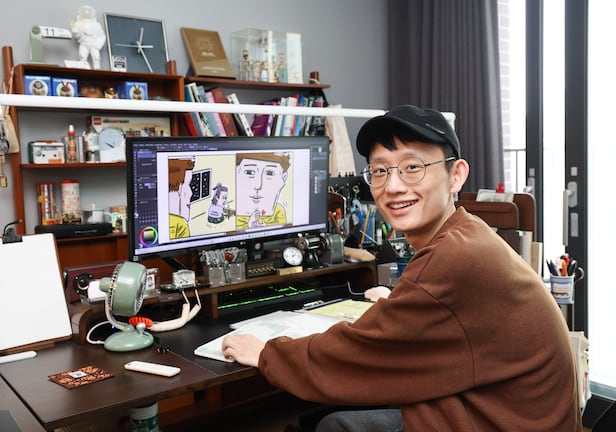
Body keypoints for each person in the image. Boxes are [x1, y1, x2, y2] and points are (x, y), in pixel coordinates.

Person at [222, 105, 582, 431]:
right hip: (499, 412)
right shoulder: (468, 233)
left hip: (494, 421)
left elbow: (356, 355)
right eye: (380, 171)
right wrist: (398, 302)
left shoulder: (454, 257)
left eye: (413, 168)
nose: (393, 186)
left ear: (455, 175)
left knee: (333, 424)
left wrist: (266, 353)